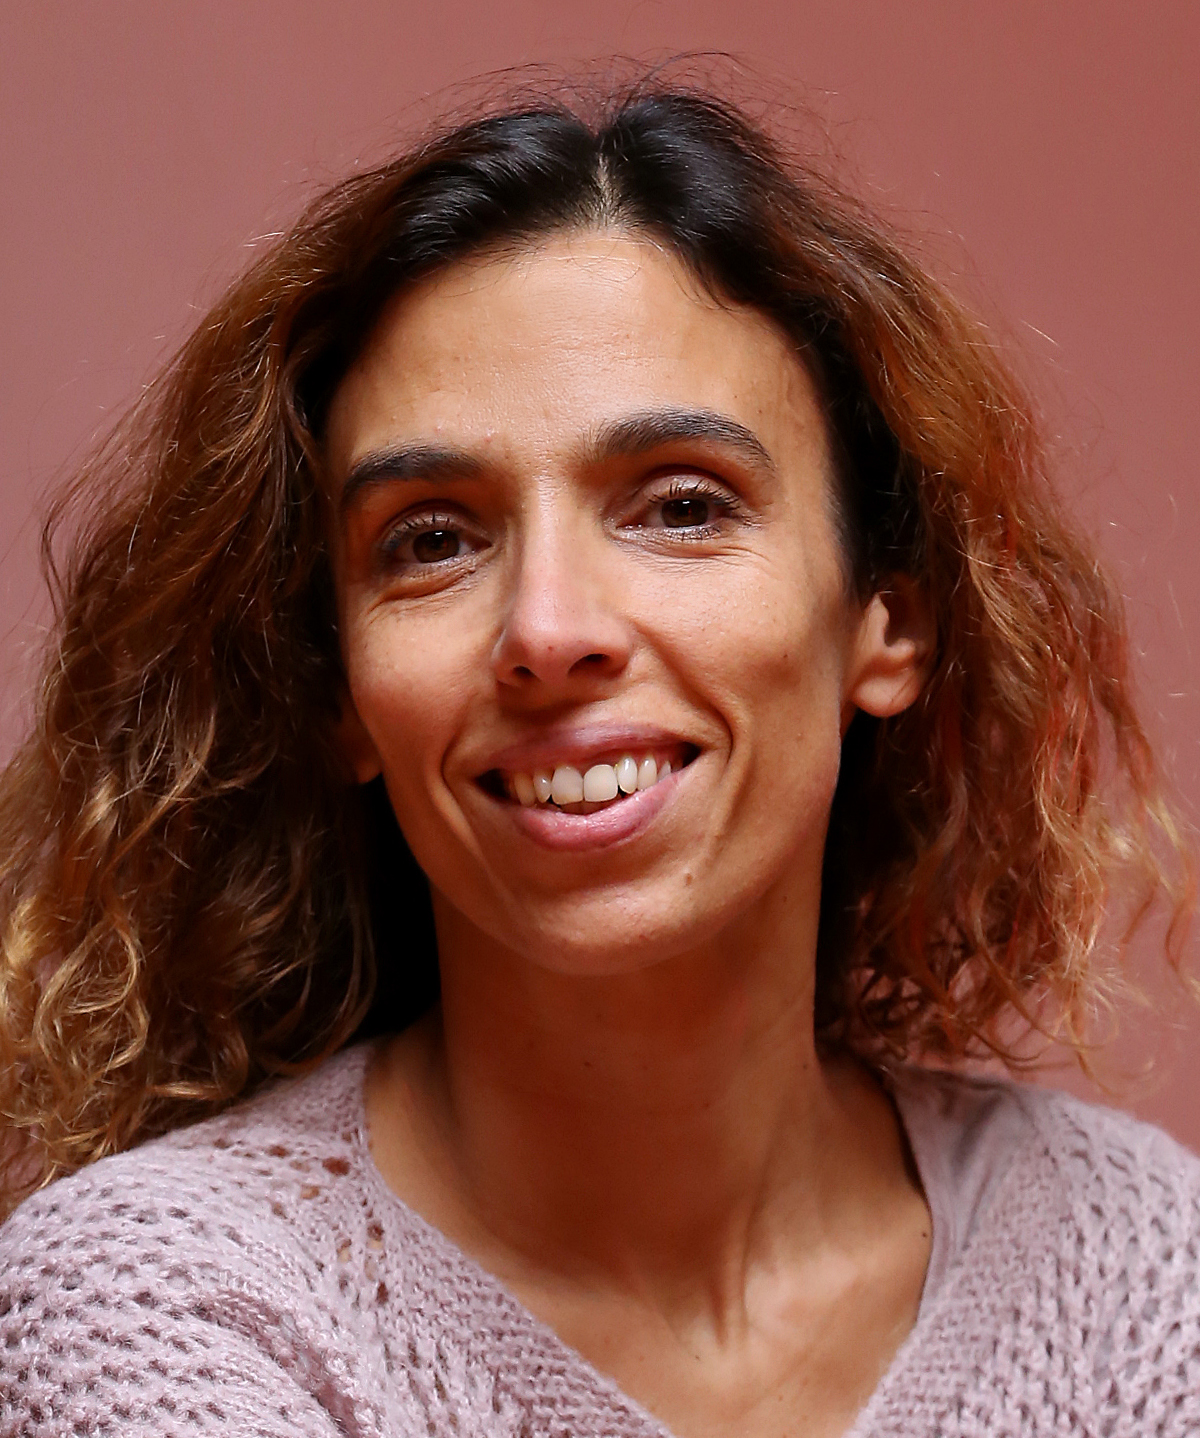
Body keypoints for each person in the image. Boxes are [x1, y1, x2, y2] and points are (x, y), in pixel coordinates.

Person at [1, 77, 1197, 1438]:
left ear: (889, 621)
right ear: (338, 694)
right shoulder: (160, 1308)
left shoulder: (1139, 1276)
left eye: (681, 507)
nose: (548, 630)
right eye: (433, 539)